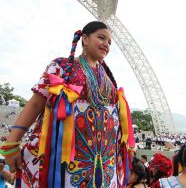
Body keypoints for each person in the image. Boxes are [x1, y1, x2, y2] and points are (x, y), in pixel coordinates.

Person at [1, 21, 133, 187]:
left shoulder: (109, 80)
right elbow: (36, 104)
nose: (106, 44)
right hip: (61, 163)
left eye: (109, 42)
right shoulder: (62, 66)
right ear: (85, 38)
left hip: (103, 167)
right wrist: (12, 143)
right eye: (101, 38)